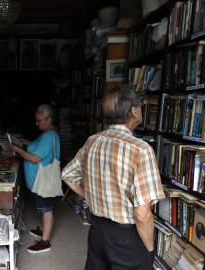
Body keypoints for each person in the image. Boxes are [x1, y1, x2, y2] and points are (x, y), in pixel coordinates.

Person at [61, 86, 165, 269]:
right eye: (140, 106)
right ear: (133, 110)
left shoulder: (93, 140)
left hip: (97, 230)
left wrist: (92, 196)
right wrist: (149, 250)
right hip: (126, 237)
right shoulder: (141, 150)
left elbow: (67, 175)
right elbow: (142, 213)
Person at [8, 104, 60, 254]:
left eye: (39, 120)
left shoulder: (50, 136)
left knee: (46, 209)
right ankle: (43, 229)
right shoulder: (47, 133)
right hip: (39, 180)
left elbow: (36, 158)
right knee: (43, 207)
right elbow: (38, 148)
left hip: (44, 180)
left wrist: (16, 149)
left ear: (49, 119)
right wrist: (25, 142)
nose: (36, 123)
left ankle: (45, 242)